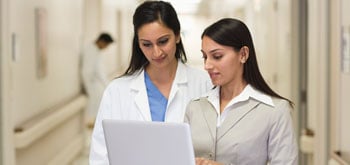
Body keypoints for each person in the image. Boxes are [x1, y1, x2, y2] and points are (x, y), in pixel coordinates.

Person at [89, 1, 212, 164]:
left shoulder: (205, 84)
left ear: (176, 35)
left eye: (163, 41)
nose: (156, 52)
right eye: (146, 44)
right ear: (138, 43)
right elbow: (100, 155)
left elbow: (217, 148)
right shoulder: (117, 91)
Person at [184, 18, 298, 165]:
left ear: (243, 54)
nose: (207, 65)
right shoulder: (195, 107)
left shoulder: (275, 111)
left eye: (217, 56)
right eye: (205, 57)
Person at [81, 33, 114, 128]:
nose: (106, 48)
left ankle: (94, 121)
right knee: (96, 98)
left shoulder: (96, 51)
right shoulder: (90, 50)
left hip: (94, 82)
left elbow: (99, 71)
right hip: (90, 82)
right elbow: (88, 70)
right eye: (106, 45)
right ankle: (91, 121)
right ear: (101, 41)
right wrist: (87, 85)